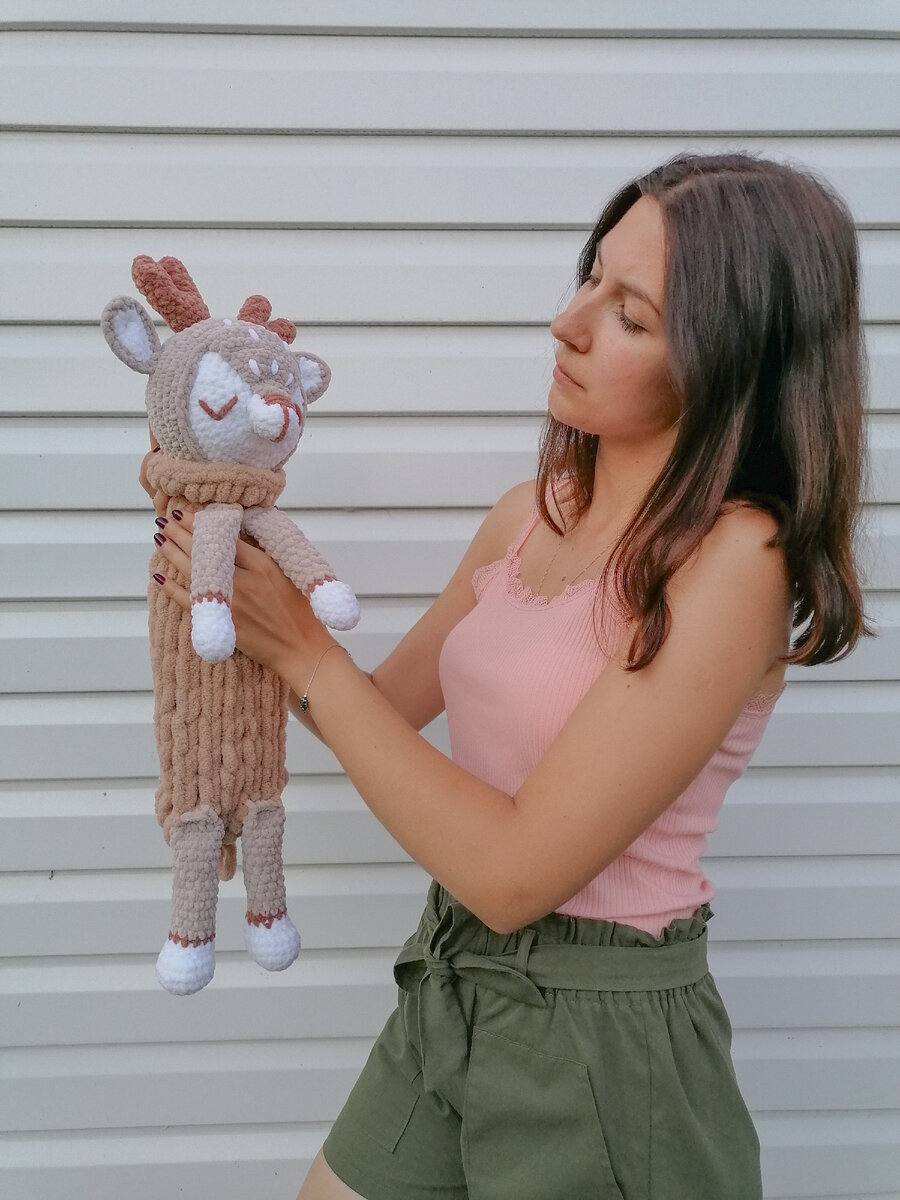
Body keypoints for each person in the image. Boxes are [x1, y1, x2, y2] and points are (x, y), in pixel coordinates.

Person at [143, 150, 872, 1199]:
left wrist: (303, 650)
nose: (567, 324)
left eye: (630, 315)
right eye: (590, 278)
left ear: (732, 361)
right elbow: (373, 712)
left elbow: (516, 872)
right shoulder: (527, 516)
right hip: (456, 974)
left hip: (604, 1039)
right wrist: (224, 549)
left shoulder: (735, 562)